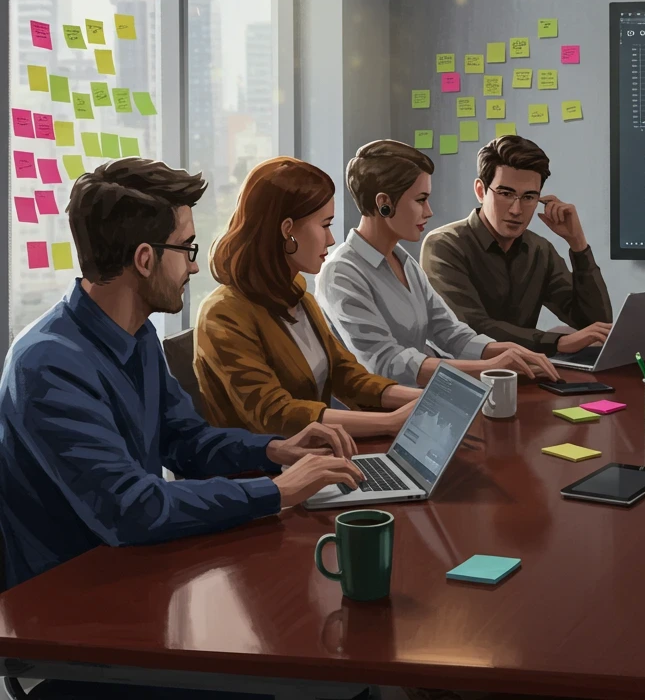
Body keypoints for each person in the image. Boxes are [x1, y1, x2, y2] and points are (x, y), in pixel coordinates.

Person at [0, 159, 363, 594]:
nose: (194, 268)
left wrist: (276, 449)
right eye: (187, 249)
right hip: (63, 602)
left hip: (133, 572)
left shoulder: (137, 335)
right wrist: (278, 490)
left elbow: (186, 440)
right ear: (145, 259)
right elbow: (132, 508)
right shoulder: (47, 364)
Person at [194, 157, 423, 439]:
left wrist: (421, 399)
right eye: (324, 225)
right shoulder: (223, 314)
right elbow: (274, 414)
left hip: (318, 452)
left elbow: (347, 376)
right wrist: (389, 423)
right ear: (287, 229)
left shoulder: (299, 296)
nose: (331, 239)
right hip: (266, 464)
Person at [317, 140, 560, 384]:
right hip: (388, 403)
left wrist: (510, 351)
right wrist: (489, 367)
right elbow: (386, 363)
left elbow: (449, 331)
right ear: (384, 204)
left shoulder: (404, 261)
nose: (429, 211)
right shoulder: (341, 273)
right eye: (420, 200)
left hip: (422, 394)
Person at [421, 135, 613, 356]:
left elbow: (597, 327)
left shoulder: (540, 250)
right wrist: (558, 342)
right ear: (481, 191)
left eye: (528, 197)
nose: (516, 210)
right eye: (505, 193)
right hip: (460, 371)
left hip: (526, 369)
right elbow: (471, 329)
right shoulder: (443, 245)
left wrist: (578, 243)